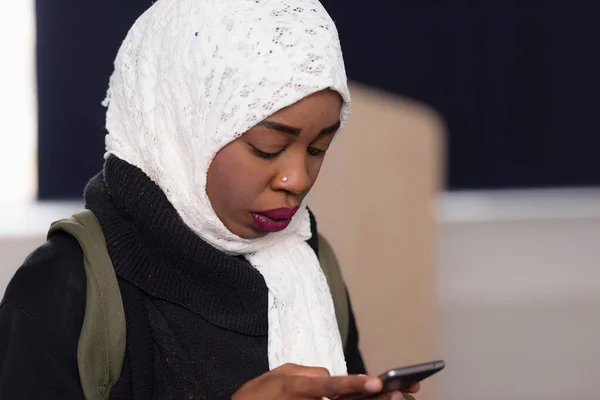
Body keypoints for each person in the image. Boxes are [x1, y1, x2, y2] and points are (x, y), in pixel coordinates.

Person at [0, 0, 420, 399]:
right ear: (183, 127)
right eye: (268, 147)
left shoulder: (311, 262)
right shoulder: (66, 286)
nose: (297, 179)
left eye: (318, 148)